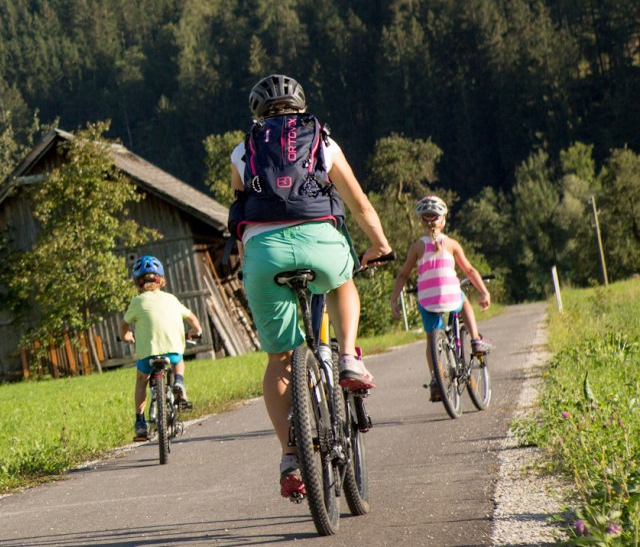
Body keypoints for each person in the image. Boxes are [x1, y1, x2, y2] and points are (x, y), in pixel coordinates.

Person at [227, 74, 393, 500]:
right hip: (320, 240)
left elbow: (239, 213)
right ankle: (348, 358)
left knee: (279, 359)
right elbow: (359, 203)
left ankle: (290, 456)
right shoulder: (323, 140)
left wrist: (251, 264)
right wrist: (380, 245)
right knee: (342, 280)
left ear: (258, 113)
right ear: (300, 106)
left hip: (264, 252)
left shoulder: (242, 150)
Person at [390, 195, 494, 402]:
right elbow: (470, 270)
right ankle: (475, 339)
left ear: (421, 221)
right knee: (463, 301)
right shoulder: (452, 244)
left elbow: (403, 275)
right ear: (443, 221)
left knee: (431, 340)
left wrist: (394, 300)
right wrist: (484, 292)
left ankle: (436, 379)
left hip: (427, 300)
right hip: (450, 295)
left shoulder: (417, 247)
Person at [120, 255, 202, 441]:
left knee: (141, 381)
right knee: (178, 360)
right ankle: (179, 382)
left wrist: (126, 336)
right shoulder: (172, 299)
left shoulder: (137, 302)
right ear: (161, 280)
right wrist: (196, 331)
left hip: (147, 355)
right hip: (172, 350)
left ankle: (140, 422)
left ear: (137, 283)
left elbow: (123, 325)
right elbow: (192, 319)